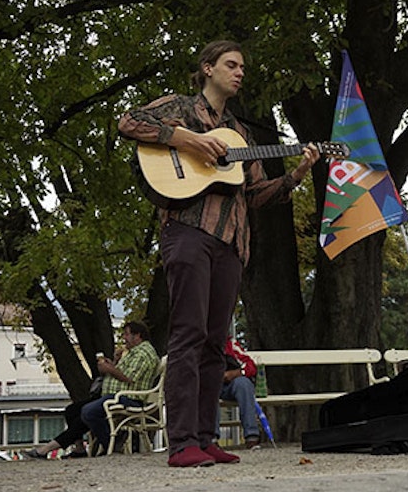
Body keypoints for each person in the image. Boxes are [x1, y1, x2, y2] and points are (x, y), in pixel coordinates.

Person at [117, 40, 320, 468]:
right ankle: (182, 443)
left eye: (242, 66)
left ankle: (205, 439)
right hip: (189, 232)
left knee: (214, 344)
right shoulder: (181, 107)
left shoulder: (239, 134)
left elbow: (257, 194)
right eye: (231, 64)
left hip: (231, 243)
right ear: (207, 68)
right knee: (188, 336)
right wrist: (187, 140)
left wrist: (298, 174)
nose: (239, 72)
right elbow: (129, 121)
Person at [80, 321, 161, 455]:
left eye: (127, 334)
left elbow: (128, 378)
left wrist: (109, 369)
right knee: (80, 412)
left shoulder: (143, 353)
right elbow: (124, 373)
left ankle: (113, 444)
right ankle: (107, 443)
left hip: (129, 398)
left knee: (89, 412)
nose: (124, 338)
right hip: (118, 396)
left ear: (137, 336)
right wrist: (114, 362)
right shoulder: (132, 352)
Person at [217, 337, 261, 449]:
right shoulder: (198, 343)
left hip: (231, 386)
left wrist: (237, 373)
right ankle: (210, 438)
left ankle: (252, 436)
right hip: (209, 386)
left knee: (244, 384)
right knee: (207, 389)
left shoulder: (230, 344)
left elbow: (250, 365)